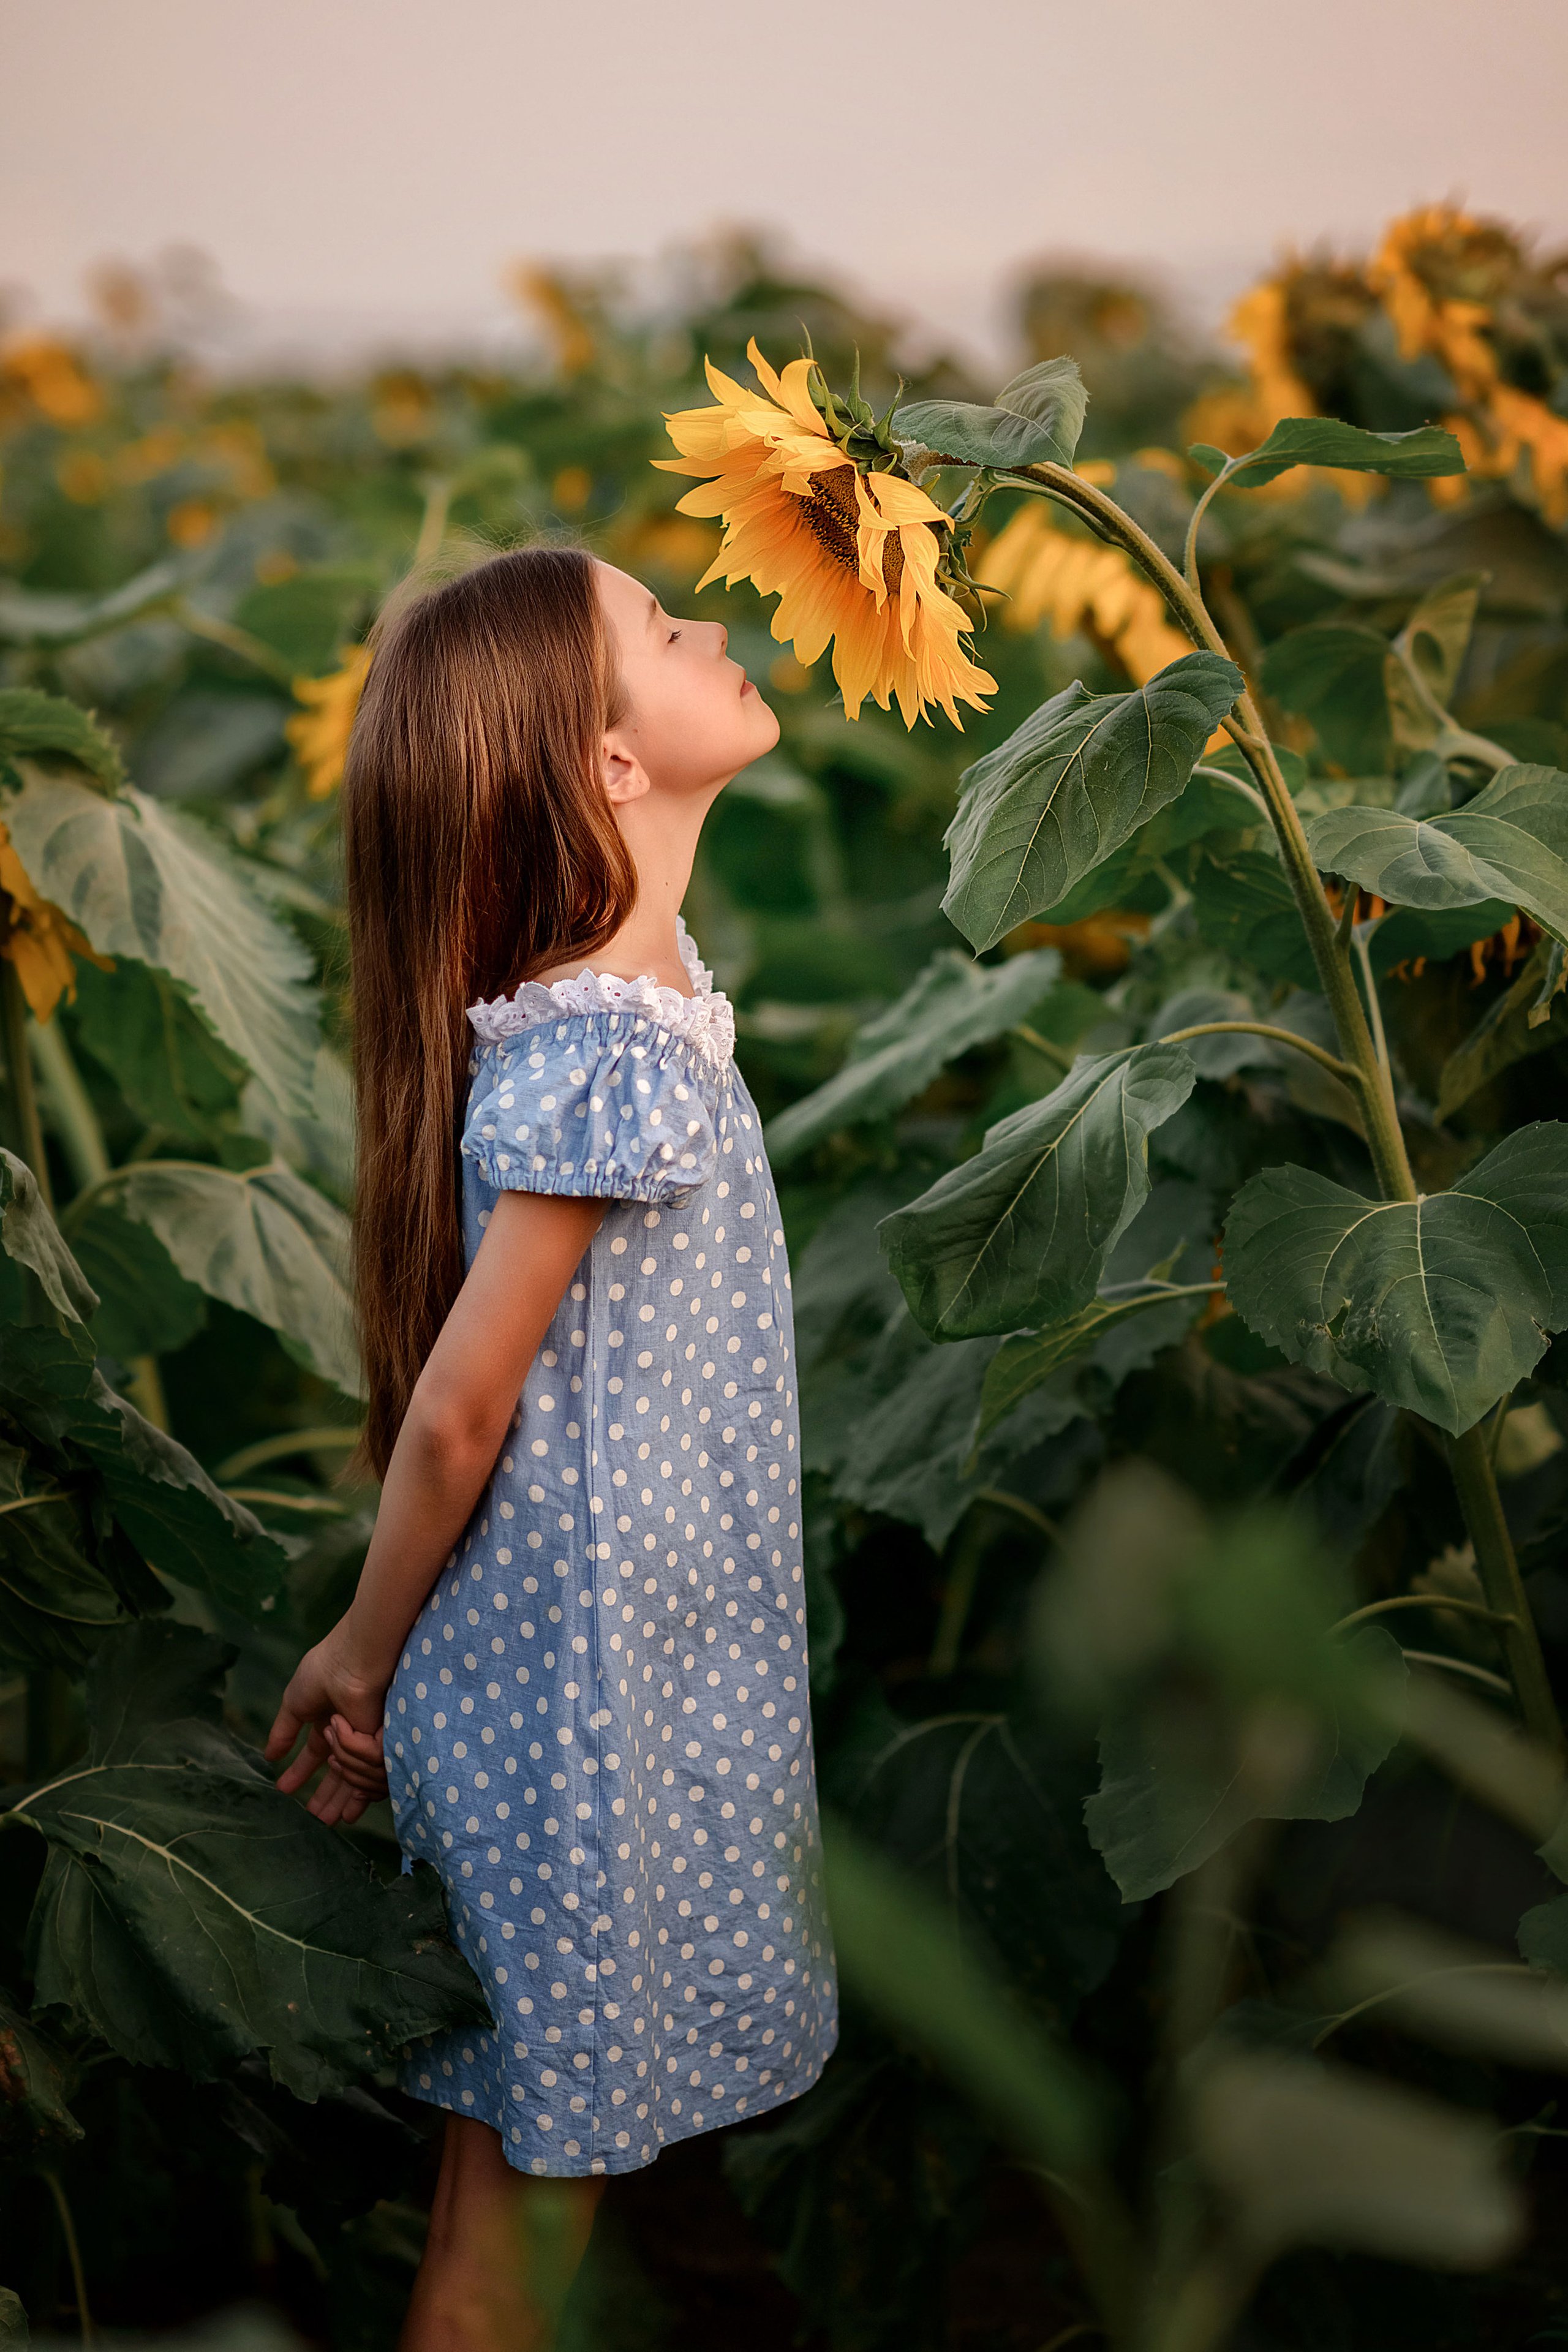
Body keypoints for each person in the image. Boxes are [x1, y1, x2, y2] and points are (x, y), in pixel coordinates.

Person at [264, 546, 838, 2351]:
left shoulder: (625, 992)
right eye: (669, 631)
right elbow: (463, 1404)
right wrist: (360, 1653)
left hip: (569, 1693)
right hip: (580, 1724)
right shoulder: (611, 1043)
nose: (721, 627)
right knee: (515, 2252)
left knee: (501, 2198)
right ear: (606, 763)